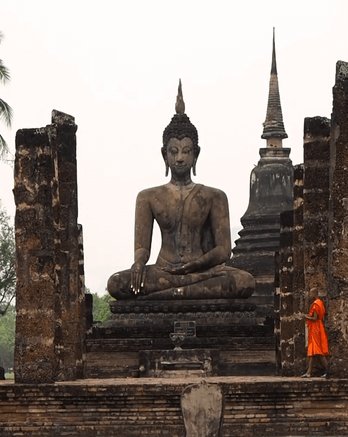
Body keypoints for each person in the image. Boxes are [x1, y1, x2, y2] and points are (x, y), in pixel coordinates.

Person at [107, 81, 255, 300]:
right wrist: (138, 263)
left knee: (244, 282)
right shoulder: (148, 197)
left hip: (203, 272)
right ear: (163, 154)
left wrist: (198, 264)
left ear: (196, 154)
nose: (179, 158)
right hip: (162, 272)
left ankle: (170, 295)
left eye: (186, 151)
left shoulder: (214, 196)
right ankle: (180, 292)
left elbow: (223, 250)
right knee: (116, 283)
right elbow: (142, 248)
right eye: (173, 151)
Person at [302, 288, 328, 378]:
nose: (310, 295)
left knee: (317, 350)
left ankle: (328, 370)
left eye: (310, 293)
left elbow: (314, 318)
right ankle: (309, 372)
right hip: (317, 327)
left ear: (313, 294)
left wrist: (305, 316)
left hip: (315, 327)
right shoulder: (320, 303)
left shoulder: (316, 304)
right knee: (312, 350)